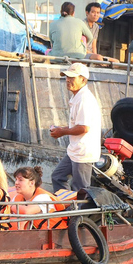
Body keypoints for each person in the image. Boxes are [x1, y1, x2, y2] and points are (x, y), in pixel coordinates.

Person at [50, 63, 102, 192]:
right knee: (58, 176)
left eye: (72, 78)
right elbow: (78, 124)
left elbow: (84, 128)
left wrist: (62, 132)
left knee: (81, 189)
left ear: (83, 80)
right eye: (67, 77)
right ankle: (67, 207)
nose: (67, 80)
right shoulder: (77, 96)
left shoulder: (84, 98)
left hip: (83, 152)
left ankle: (79, 212)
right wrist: (61, 128)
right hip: (75, 150)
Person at [11, 166, 67, 230]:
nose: (16, 183)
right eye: (16, 179)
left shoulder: (43, 197)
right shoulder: (17, 197)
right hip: (34, 236)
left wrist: (10, 206)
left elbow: (27, 211)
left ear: (32, 183)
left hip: (55, 235)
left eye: (20, 180)